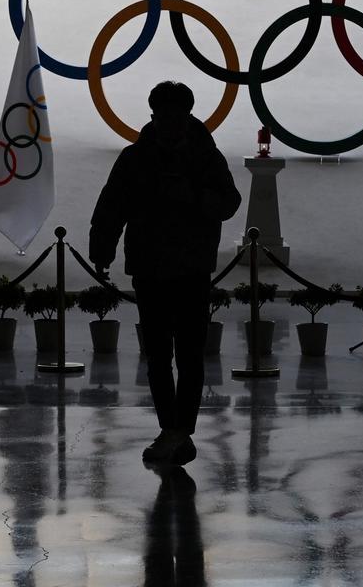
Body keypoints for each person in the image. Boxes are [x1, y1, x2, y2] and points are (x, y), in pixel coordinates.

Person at [90, 81, 242, 465]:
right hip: (165, 266)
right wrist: (101, 248)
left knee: (182, 354)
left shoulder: (143, 157)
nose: (170, 124)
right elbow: (112, 206)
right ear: (156, 116)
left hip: (174, 266)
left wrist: (103, 249)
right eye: (165, 117)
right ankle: (175, 429)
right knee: (163, 355)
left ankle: (175, 430)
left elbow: (228, 203)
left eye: (175, 117)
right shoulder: (199, 157)